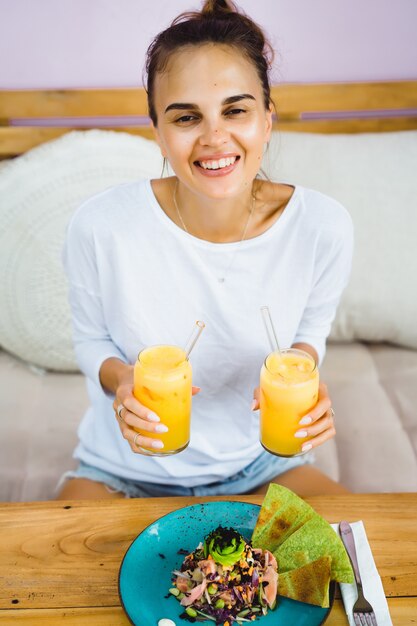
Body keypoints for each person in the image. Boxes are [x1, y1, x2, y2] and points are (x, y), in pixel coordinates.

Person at [56, 0, 353, 500]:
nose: (215, 138)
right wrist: (125, 380)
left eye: (236, 110)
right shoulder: (100, 226)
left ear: (267, 120)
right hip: (122, 470)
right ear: (157, 132)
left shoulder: (324, 227)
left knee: (355, 567)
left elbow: (309, 334)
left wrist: (304, 375)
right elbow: (91, 342)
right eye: (186, 117)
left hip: (264, 465)